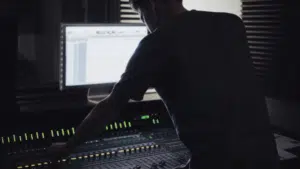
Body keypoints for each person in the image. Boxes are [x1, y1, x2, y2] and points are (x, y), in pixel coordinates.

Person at [49, 0, 280, 168]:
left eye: (140, 14)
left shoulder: (157, 42)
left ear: (152, 6)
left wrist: (68, 146)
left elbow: (111, 106)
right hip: (266, 158)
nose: (143, 21)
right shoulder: (231, 24)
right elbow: (222, 106)